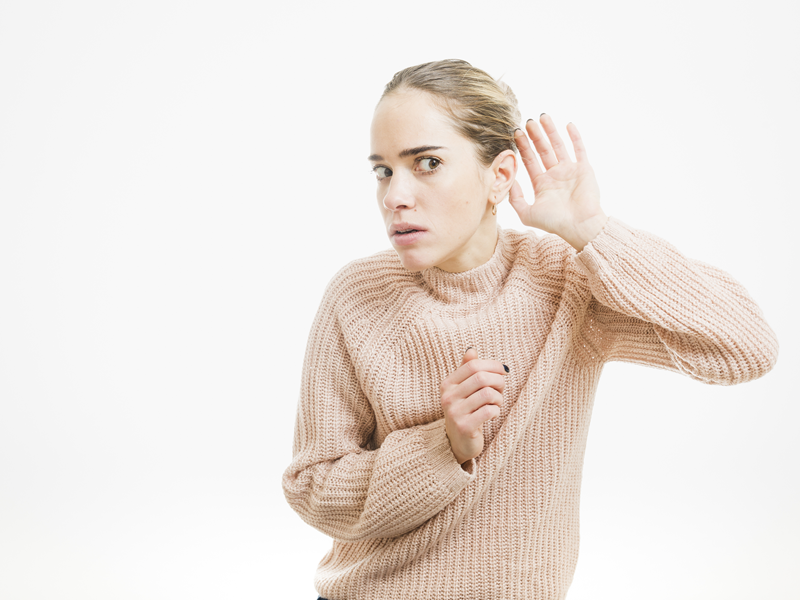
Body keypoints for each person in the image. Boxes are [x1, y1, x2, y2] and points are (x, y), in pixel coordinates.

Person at [281, 59, 778, 600]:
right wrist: (443, 446)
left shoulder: (569, 281)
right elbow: (312, 487)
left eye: (427, 163)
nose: (394, 196)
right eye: (383, 170)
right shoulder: (356, 295)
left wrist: (594, 232)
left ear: (499, 176)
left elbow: (746, 347)